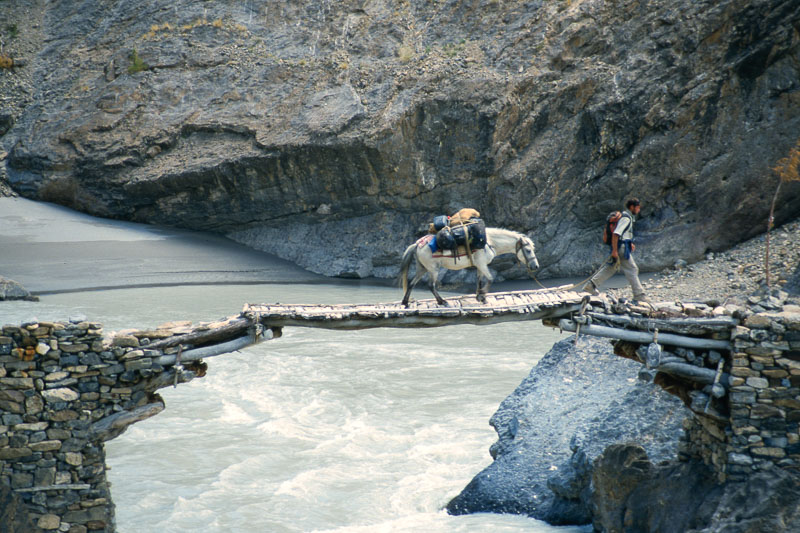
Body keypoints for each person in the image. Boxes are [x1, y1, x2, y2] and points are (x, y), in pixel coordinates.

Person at [582, 198, 648, 303]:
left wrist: (629, 243)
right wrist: (614, 251)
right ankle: (639, 294)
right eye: (637, 207)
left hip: (621, 246)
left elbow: (623, 233)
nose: (639, 209)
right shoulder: (626, 218)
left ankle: (590, 286)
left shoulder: (626, 217)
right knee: (632, 269)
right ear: (632, 207)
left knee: (611, 268)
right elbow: (616, 234)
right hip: (621, 248)